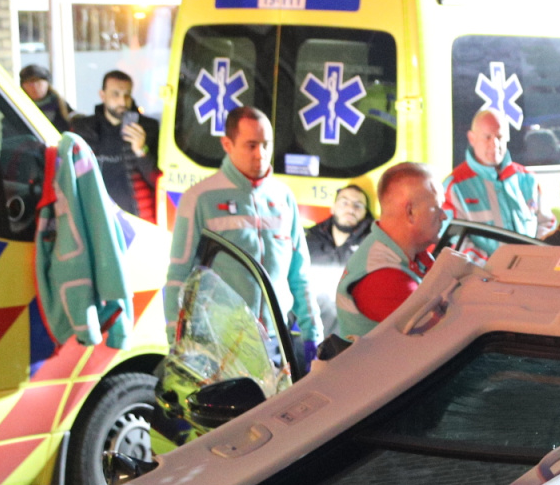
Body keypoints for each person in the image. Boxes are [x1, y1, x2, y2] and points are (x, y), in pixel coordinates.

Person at [164, 107, 319, 371]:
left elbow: (299, 274)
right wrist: (177, 343)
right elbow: (179, 275)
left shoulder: (283, 198)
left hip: (275, 342)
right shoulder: (200, 198)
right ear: (227, 144)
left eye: (266, 145)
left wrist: (312, 333)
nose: (260, 154)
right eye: (251, 145)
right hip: (219, 345)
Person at [334, 161, 446, 339]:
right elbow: (444, 337)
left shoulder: (406, 254)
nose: (444, 215)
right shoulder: (385, 277)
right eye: (437, 207)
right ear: (410, 212)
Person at [68, 70, 160, 221]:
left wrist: (141, 151)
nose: (122, 102)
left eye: (127, 95)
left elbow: (158, 181)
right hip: (94, 217)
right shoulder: (83, 128)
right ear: (102, 95)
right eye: (115, 94)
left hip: (137, 219)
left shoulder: (147, 128)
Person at [442, 109, 540, 239]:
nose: (495, 145)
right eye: (487, 137)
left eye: (499, 137)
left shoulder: (528, 179)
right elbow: (454, 241)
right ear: (472, 138)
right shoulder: (454, 187)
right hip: (481, 261)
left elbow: (546, 224)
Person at [307, 184, 374, 267]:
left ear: (365, 213)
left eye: (358, 205)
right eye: (344, 203)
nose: (351, 209)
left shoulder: (374, 247)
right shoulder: (308, 241)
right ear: (333, 208)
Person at [20, 63, 73, 132]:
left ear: (47, 84)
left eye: (38, 82)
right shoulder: (19, 106)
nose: (34, 86)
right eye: (29, 82)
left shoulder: (61, 105)